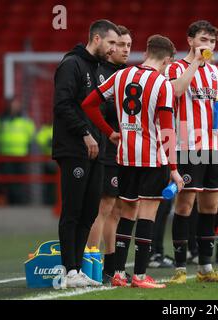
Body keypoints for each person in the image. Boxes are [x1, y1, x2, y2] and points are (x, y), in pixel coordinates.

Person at [82, 34, 184, 289]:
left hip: (125, 157)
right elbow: (168, 131)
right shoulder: (163, 84)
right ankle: (139, 275)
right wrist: (173, 169)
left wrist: (110, 132)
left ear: (146, 52)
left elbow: (88, 104)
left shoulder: (120, 76)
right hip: (153, 159)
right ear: (169, 60)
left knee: (126, 214)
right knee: (147, 216)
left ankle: (118, 272)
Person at [165, 20, 218, 284]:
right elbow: (176, 91)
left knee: (211, 206)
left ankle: (206, 268)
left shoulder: (216, 73)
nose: (208, 45)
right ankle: (180, 269)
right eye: (204, 40)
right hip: (187, 147)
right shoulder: (175, 67)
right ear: (190, 40)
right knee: (185, 205)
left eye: (212, 41)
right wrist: (196, 61)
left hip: (214, 147)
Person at [53, 19, 120, 288]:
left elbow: (101, 110)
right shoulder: (72, 65)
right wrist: (84, 132)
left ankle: (77, 269)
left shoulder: (100, 70)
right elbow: (62, 104)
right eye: (112, 42)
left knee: (90, 210)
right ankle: (69, 270)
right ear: (96, 39)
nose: (114, 48)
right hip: (73, 148)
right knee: (73, 209)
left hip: (97, 150)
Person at [85, 25, 132, 283]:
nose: (124, 49)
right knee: (102, 207)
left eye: (128, 46)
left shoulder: (126, 74)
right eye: (119, 44)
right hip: (104, 147)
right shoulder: (99, 72)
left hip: (123, 150)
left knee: (117, 209)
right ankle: (91, 264)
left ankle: (111, 266)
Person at [0, 97, 35, 204]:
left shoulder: (25, 121)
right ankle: (12, 202)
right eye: (13, 105)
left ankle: (18, 202)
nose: (15, 107)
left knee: (20, 181)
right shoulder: (0, 121)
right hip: (5, 156)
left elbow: (32, 135)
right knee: (9, 181)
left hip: (21, 156)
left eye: (17, 105)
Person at [36, 122, 57, 205]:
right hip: (47, 159)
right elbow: (39, 140)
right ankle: (49, 201)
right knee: (48, 183)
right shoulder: (45, 130)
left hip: (57, 160)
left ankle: (54, 200)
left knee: (55, 183)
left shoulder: (59, 128)